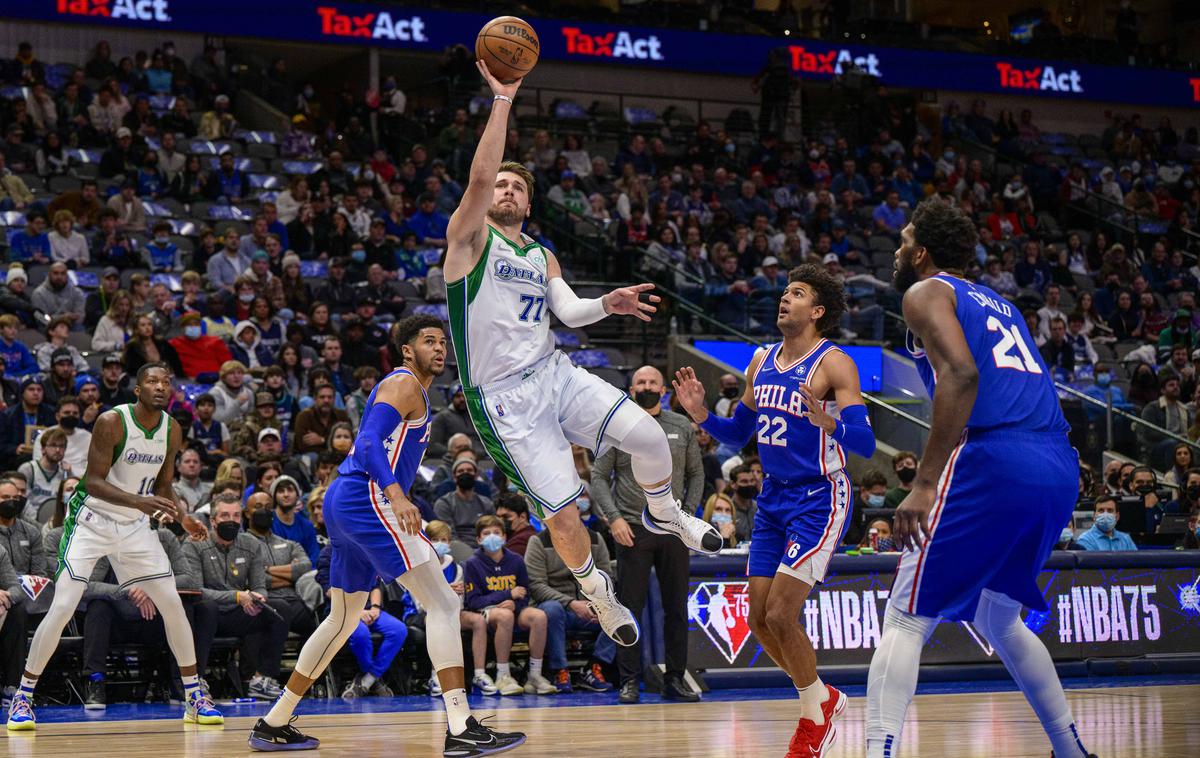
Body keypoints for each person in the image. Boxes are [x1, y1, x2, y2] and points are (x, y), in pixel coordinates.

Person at [442, 63, 719, 657]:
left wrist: (608, 303)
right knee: (565, 519)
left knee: (649, 438)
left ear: (529, 202)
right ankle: (600, 593)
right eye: (501, 186)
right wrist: (501, 100)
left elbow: (568, 313)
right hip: (504, 400)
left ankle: (666, 512)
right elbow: (478, 180)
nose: (507, 191)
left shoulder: (541, 253)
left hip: (556, 372)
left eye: (518, 187)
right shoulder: (468, 242)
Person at [867, 199, 1089, 758]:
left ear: (921, 253)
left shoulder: (924, 292)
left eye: (904, 240)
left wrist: (924, 482)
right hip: (1057, 463)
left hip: (996, 456)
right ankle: (1071, 749)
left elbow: (961, 375)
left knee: (905, 615)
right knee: (999, 616)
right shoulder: (1003, 304)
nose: (897, 250)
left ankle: (877, 751)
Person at [247, 315, 525, 755]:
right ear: (407, 351)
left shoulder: (414, 391)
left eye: (442, 342)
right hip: (367, 498)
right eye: (429, 341)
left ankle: (274, 721)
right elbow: (369, 443)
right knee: (443, 601)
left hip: (346, 502)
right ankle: (460, 725)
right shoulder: (403, 383)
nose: (440, 348)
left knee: (341, 620)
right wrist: (396, 495)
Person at [675, 262, 874, 754]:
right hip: (772, 500)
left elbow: (867, 441)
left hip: (820, 496)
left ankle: (814, 722)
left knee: (783, 614)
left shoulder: (835, 364)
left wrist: (829, 422)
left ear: (818, 310)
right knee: (760, 620)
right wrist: (701, 414)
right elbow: (739, 434)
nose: (785, 298)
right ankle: (822, 696)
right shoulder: (761, 360)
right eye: (785, 292)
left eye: (797, 293)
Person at [7, 363, 222, 731]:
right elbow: (91, 482)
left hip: (135, 526)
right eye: (152, 380)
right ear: (137, 389)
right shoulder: (112, 422)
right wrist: (141, 503)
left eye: (166, 382)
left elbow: (164, 488)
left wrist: (183, 518)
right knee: (62, 607)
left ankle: (193, 695)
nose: (161, 387)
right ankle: (23, 697)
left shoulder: (172, 429)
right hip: (92, 521)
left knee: (172, 603)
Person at [592, 365, 705, 704]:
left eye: (652, 381)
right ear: (631, 388)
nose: (647, 386)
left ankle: (675, 678)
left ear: (663, 388)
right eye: (641, 381)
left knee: (676, 608)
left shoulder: (681, 425)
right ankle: (628, 681)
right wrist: (613, 519)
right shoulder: (617, 427)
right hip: (632, 529)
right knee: (630, 607)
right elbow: (598, 478)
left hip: (673, 530)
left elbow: (696, 475)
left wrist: (686, 517)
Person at [189, 492, 291, 700]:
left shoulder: (251, 544)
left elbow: (260, 586)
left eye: (236, 516)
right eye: (225, 516)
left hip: (238, 614)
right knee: (206, 607)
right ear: (213, 520)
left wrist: (256, 598)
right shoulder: (195, 544)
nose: (231, 521)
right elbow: (196, 590)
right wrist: (237, 596)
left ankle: (262, 679)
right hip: (206, 616)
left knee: (280, 607)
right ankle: (196, 681)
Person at [462, 515, 554, 696]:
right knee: (505, 616)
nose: (492, 537)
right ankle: (503, 675)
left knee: (539, 616)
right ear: (479, 539)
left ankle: (534, 675)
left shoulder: (516, 560)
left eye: (496, 532)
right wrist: (506, 596)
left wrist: (515, 603)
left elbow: (525, 592)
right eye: (486, 533)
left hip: (513, 609)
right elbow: (473, 602)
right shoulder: (472, 564)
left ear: (504, 537)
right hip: (485, 613)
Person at [0, 478, 47, 698]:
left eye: (14, 498)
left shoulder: (32, 532)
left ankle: (13, 686)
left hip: (20, 598)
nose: (10, 502)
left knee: (18, 611)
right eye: (4, 498)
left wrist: (7, 597)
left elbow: (40, 575)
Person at [434, 456, 495, 545]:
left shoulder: (486, 503)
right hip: (456, 549)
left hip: (483, 547)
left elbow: (492, 531)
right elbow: (448, 534)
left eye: (469, 470)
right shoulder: (444, 504)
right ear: (454, 477)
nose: (465, 473)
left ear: (476, 475)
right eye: (460, 471)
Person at [494, 491, 537, 556]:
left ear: (522, 517)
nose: (500, 521)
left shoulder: (520, 542)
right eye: (498, 517)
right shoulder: (510, 538)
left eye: (506, 516)